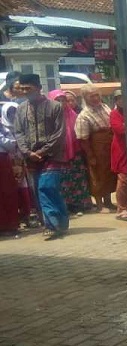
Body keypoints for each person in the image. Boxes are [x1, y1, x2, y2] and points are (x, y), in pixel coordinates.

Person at [15, 74, 69, 240]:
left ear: (38, 88)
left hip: (52, 155)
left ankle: (52, 225)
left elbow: (59, 133)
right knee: (44, 191)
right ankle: (62, 222)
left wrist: (42, 152)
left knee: (45, 187)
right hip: (30, 157)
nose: (24, 91)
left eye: (28, 88)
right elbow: (19, 133)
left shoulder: (55, 107)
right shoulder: (21, 109)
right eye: (22, 89)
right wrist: (28, 152)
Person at [48, 90, 91, 216]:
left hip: (75, 153)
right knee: (61, 180)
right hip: (58, 154)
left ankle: (79, 205)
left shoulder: (73, 115)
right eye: (58, 100)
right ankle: (64, 206)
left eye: (63, 100)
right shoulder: (49, 117)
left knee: (77, 178)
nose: (61, 103)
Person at [75, 84, 117, 213]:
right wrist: (90, 155)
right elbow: (83, 139)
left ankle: (108, 201)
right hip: (95, 147)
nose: (95, 98)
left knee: (109, 173)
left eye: (97, 95)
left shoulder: (104, 107)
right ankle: (99, 205)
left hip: (109, 145)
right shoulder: (84, 115)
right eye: (92, 96)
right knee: (96, 175)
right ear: (85, 98)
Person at [108, 90, 127, 221]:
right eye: (119, 98)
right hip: (122, 150)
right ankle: (122, 208)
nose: (122, 100)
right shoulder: (114, 114)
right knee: (124, 179)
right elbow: (120, 130)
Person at [0, 102, 20, 235]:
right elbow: (6, 142)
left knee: (7, 191)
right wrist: (15, 143)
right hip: (2, 158)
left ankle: (9, 224)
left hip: (3, 159)